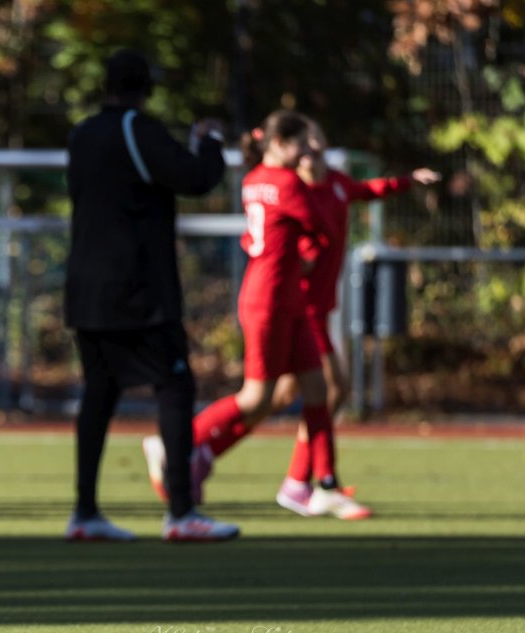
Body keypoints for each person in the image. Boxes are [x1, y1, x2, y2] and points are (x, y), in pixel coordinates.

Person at [148, 110, 367, 519]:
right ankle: (178, 443)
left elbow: (270, 232)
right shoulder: (288, 182)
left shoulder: (254, 179)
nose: (306, 152)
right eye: (301, 144)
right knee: (258, 397)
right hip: (271, 300)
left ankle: (314, 484)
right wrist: (333, 204)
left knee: (316, 388)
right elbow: (324, 224)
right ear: (280, 144)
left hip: (281, 296)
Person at [65, 49, 239, 544]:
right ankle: (181, 511)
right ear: (147, 88)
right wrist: (210, 142)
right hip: (137, 291)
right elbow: (196, 178)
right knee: (175, 386)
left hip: (86, 288)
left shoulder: (83, 132)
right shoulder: (135, 128)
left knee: (99, 394)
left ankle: (84, 511)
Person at [268, 120, 440, 514]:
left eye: (316, 138)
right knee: (333, 388)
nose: (311, 146)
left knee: (281, 396)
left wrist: (408, 181)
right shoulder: (294, 191)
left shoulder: (337, 184)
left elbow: (368, 190)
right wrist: (304, 258)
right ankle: (314, 481)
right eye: (304, 141)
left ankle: (287, 475)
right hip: (302, 308)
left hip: (319, 307)